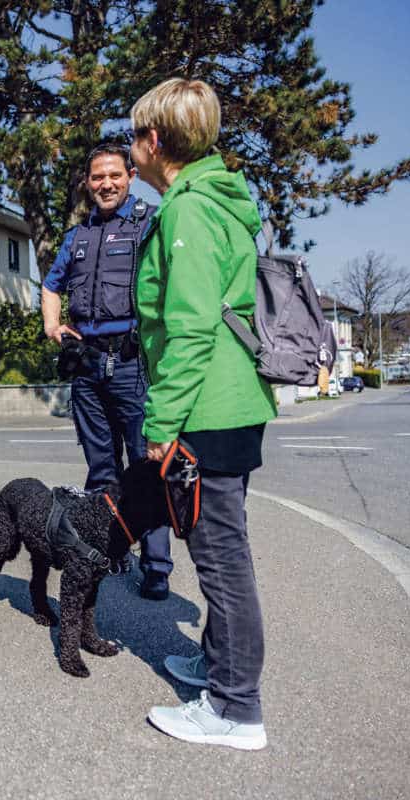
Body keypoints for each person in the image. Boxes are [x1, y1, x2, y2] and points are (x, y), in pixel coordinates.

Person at [129, 77, 276, 750]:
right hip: (233, 400)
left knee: (220, 563)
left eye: (135, 137)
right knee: (225, 551)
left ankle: (234, 709)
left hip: (205, 410)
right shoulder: (222, 198)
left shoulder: (187, 210)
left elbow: (188, 329)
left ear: (156, 142)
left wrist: (160, 424)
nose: (132, 151)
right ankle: (219, 668)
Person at [41, 142, 174, 600]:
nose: (106, 184)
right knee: (100, 467)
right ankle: (108, 549)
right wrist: (52, 326)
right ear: (88, 181)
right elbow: (50, 285)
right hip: (87, 363)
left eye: (114, 175)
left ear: (130, 176)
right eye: (97, 177)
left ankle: (157, 566)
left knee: (145, 466)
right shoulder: (77, 237)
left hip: (134, 362)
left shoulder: (149, 224)